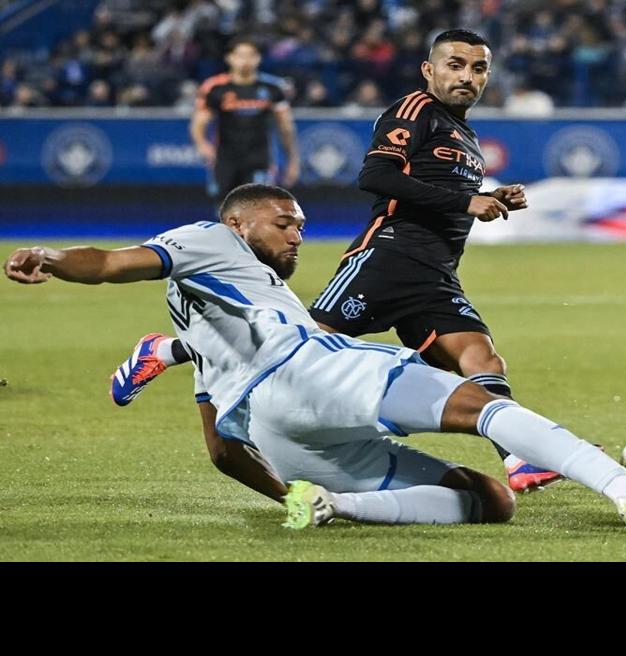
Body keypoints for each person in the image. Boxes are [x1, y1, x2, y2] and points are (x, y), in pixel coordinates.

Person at [7, 184, 626, 530]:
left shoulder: (216, 316)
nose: (297, 235)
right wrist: (50, 257)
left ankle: (337, 508)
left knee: (490, 501)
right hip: (308, 370)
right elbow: (109, 262)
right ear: (239, 220)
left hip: (272, 433)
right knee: (482, 404)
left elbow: (220, 452)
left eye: (300, 225)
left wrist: (289, 493)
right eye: (283, 222)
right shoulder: (210, 237)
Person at [122, 30, 561, 494]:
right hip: (387, 258)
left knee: (482, 357)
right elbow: (375, 175)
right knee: (294, 349)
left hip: (435, 275)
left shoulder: (465, 134)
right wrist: (466, 200)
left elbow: (440, 191)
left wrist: (487, 197)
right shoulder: (414, 111)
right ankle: (168, 350)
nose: (466, 76)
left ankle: (520, 460)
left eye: (477, 68)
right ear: (429, 70)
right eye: (454, 65)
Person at [190, 37, 300, 204]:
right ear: (230, 58)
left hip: (260, 158)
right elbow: (199, 122)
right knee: (225, 209)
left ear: (258, 58)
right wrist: (201, 143)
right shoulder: (214, 87)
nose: (245, 61)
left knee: (259, 208)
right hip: (225, 158)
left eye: (251, 55)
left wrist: (292, 160)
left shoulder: (273, 88)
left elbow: (285, 127)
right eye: (240, 55)